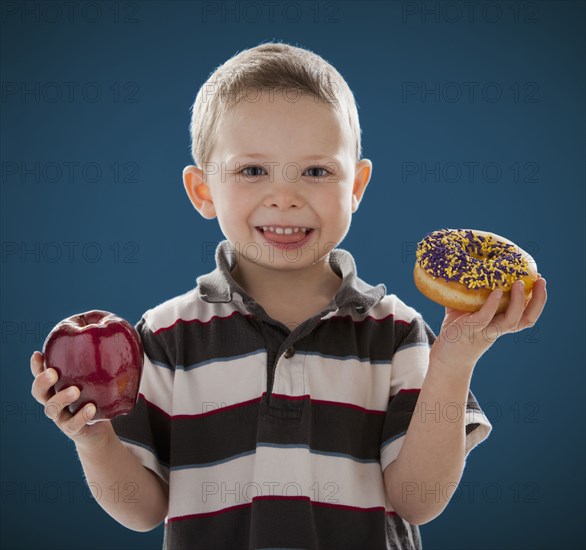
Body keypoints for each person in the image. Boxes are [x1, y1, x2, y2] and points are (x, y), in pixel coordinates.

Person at [30, 41, 547, 549]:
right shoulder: (166, 337)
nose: (286, 196)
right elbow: (142, 511)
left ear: (357, 187)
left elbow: (418, 500)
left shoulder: (396, 331)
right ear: (202, 191)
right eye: (252, 171)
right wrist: (94, 439)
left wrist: (454, 362)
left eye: (316, 171)